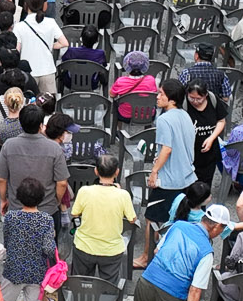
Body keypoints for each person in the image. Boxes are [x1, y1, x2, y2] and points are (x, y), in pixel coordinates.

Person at [69, 151, 138, 283]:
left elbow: (74, 213)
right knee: (108, 286)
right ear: (117, 172)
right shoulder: (122, 195)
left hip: (84, 246)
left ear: (96, 171)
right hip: (111, 250)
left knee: (82, 282)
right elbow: (132, 219)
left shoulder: (85, 191)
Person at [146, 74, 198, 229]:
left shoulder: (164, 120)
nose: (158, 96)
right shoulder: (186, 115)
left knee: (152, 218)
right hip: (187, 176)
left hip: (169, 180)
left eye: (162, 93)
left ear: (172, 100)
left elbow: (166, 149)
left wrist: (154, 171)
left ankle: (147, 253)